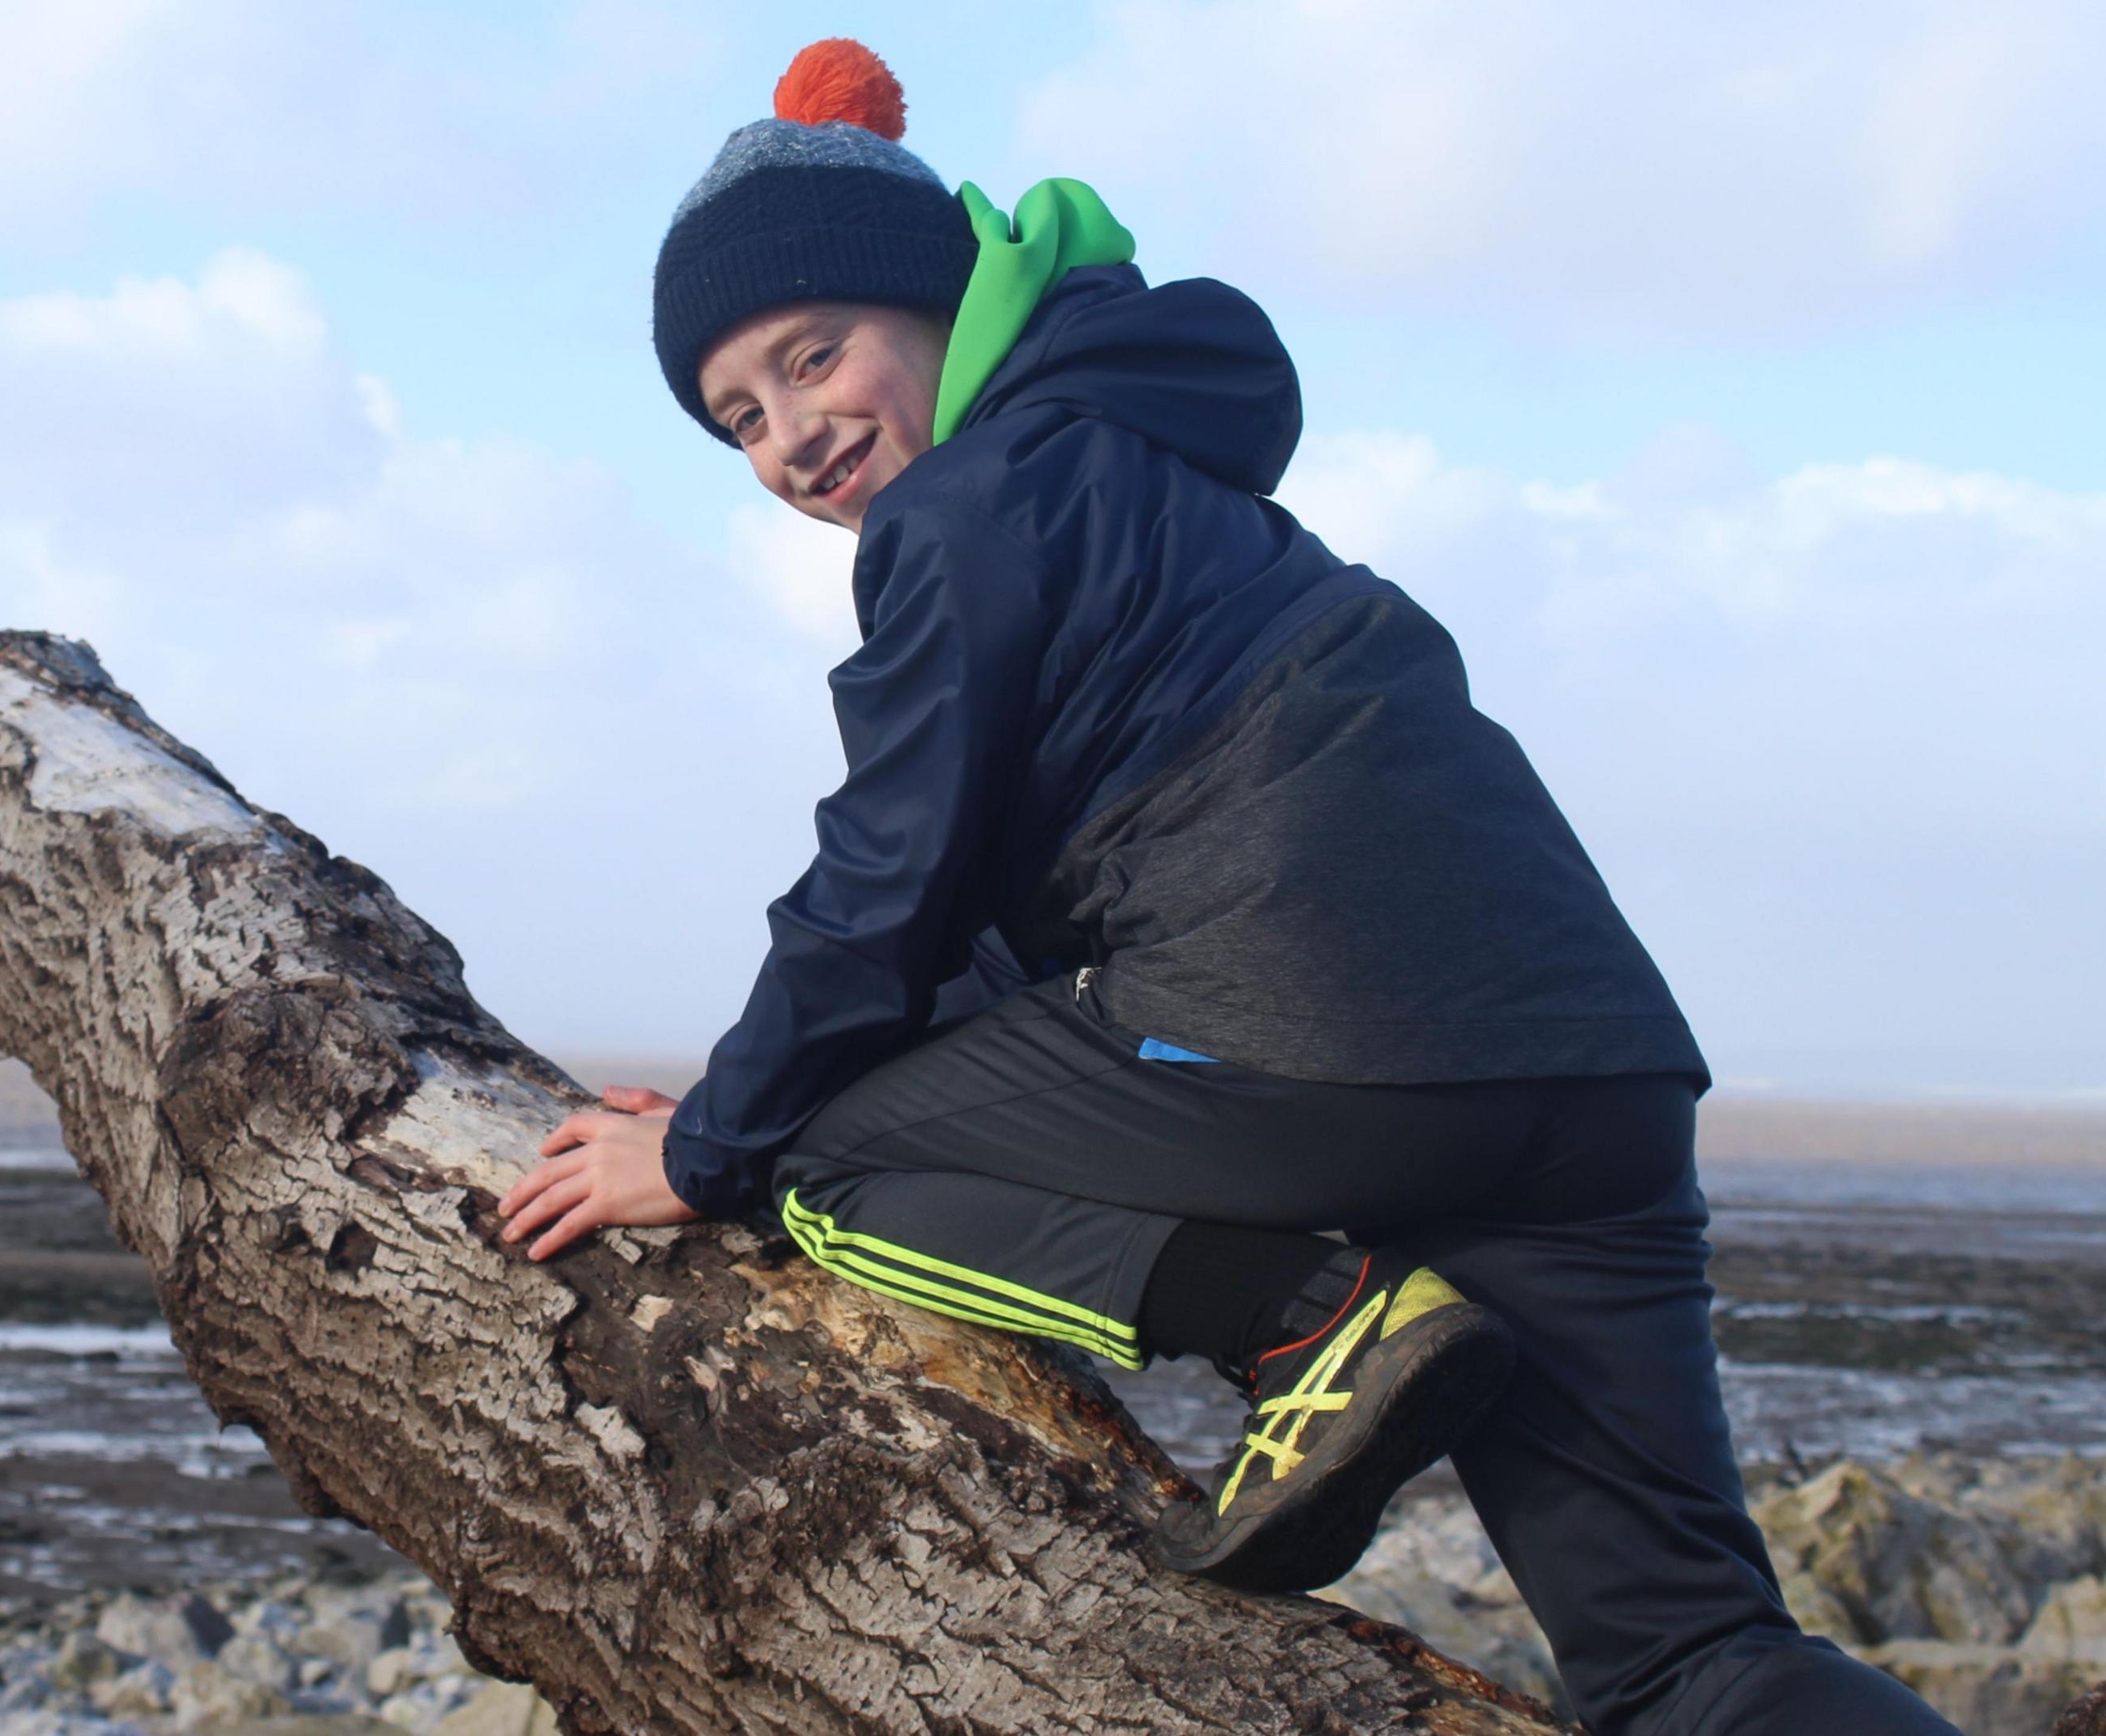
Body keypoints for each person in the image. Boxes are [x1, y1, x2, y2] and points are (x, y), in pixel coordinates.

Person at [492, 38, 1960, 1736]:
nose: (791, 437)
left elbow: (881, 888)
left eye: (813, 358)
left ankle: (1304, 1328)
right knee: (1687, 1651)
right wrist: (740, 1092)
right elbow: (987, 926)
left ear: (937, 302)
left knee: (820, 1167)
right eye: (737, 417)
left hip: (1336, 1036)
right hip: (1599, 1074)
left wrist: (704, 1148)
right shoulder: (1146, 470)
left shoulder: (970, 511)